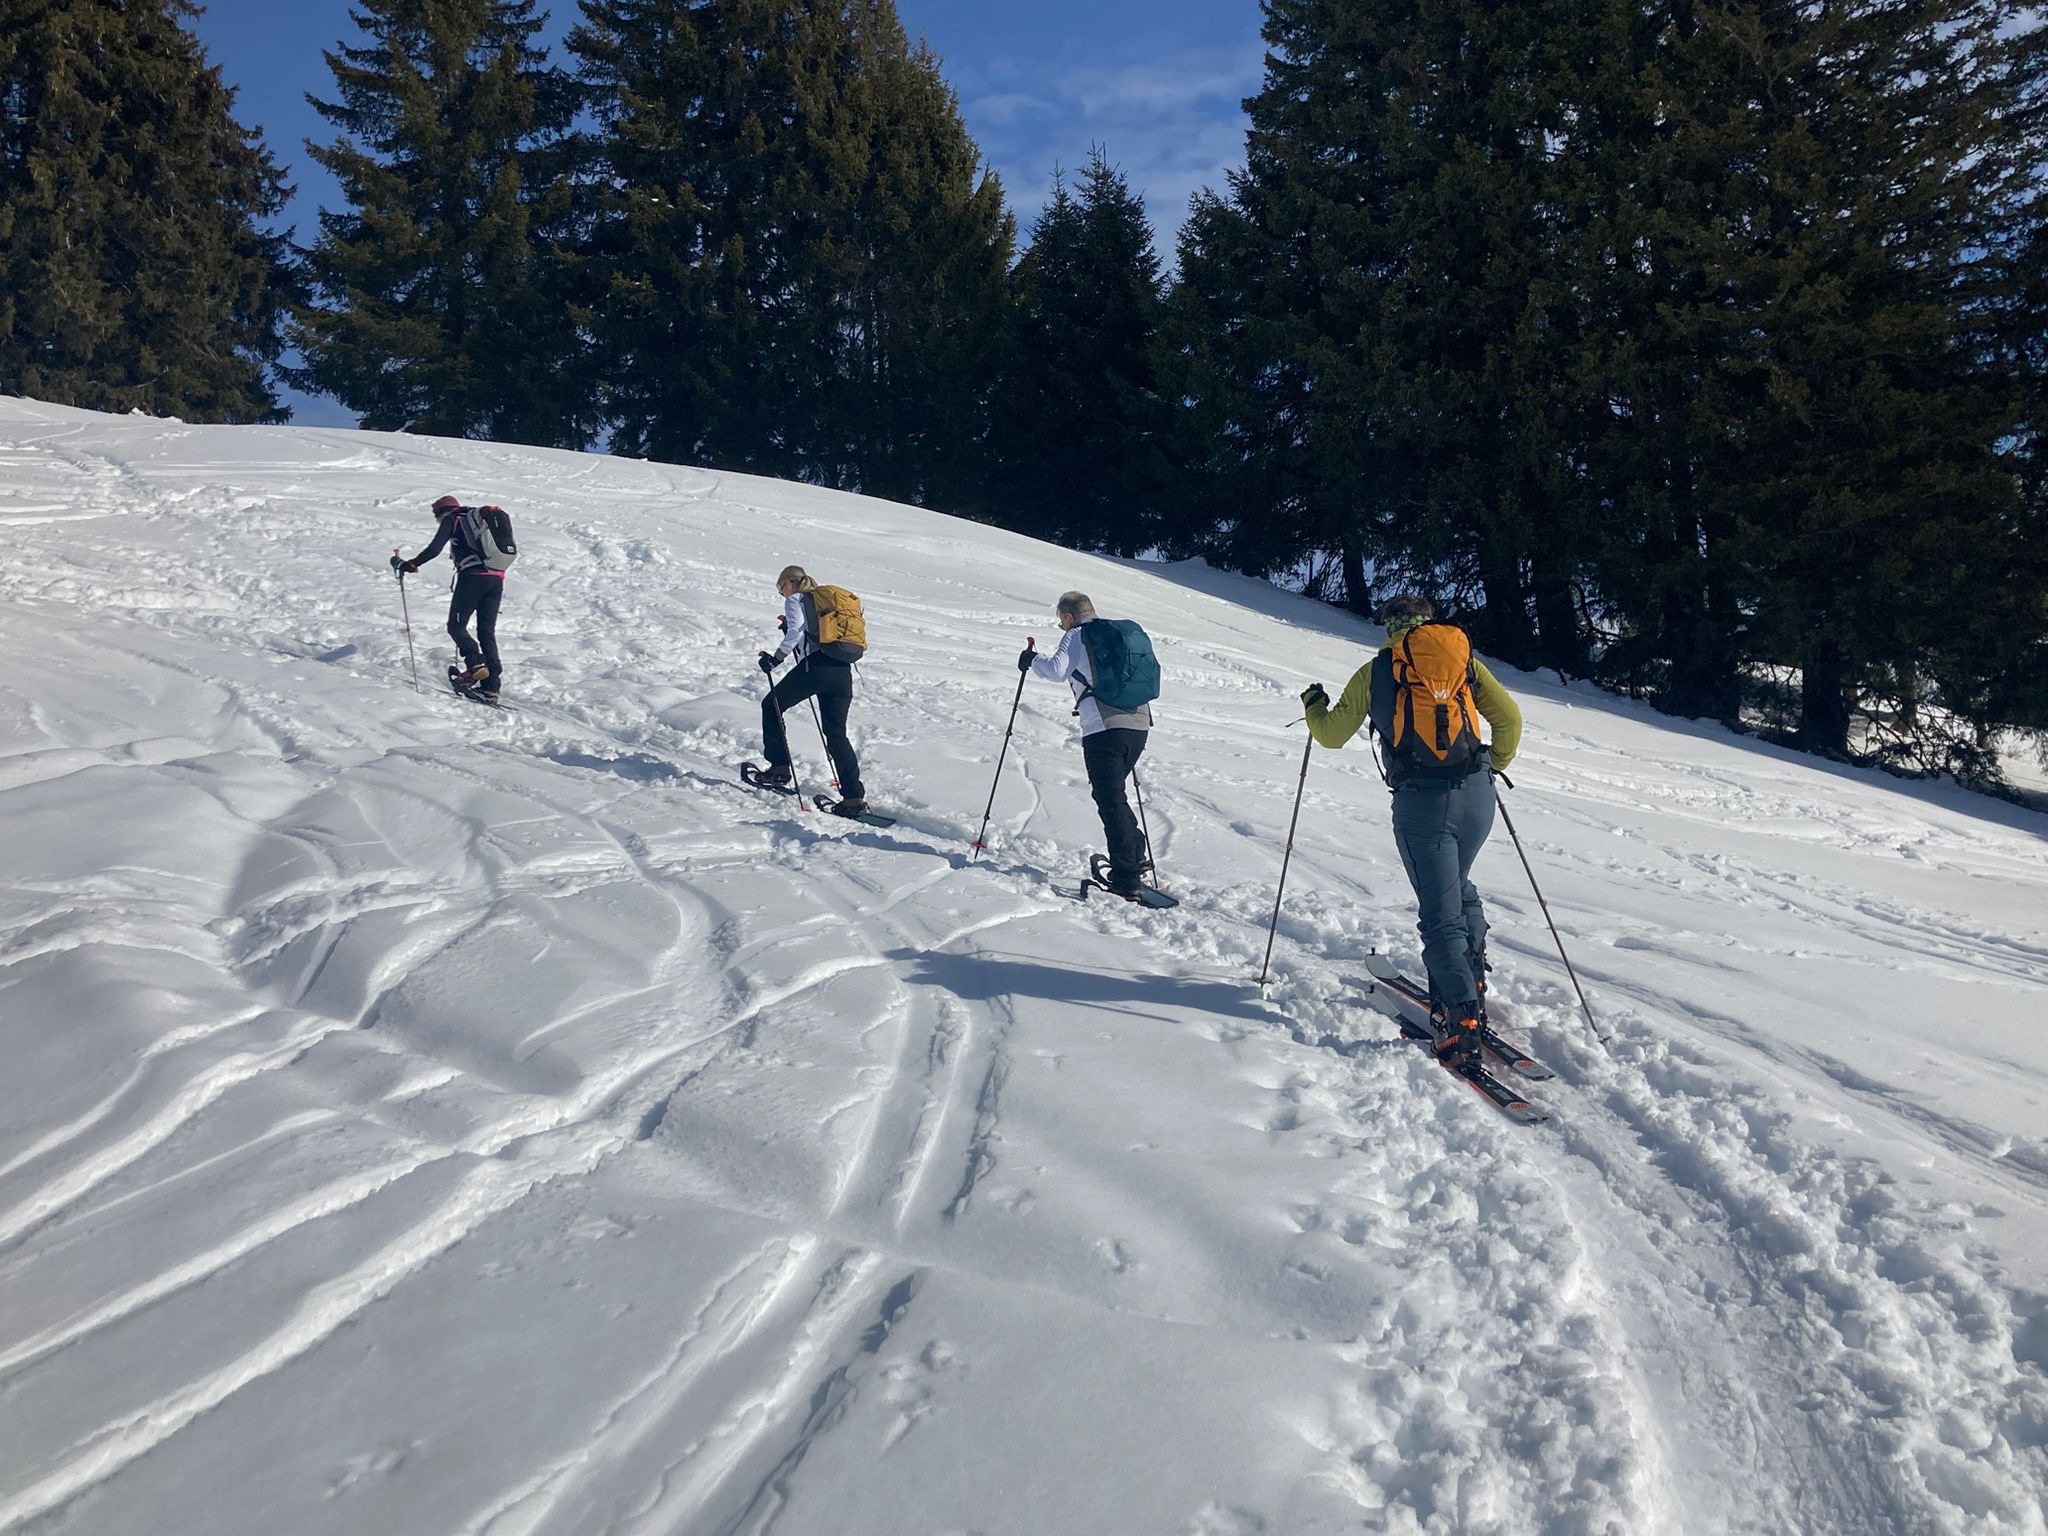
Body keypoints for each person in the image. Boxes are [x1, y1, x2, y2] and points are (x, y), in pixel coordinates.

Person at [1300, 595, 1522, 1067]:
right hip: (1477, 796)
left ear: (1389, 628)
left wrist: (1313, 705)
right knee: (1457, 886)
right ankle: (1471, 977)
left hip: (1423, 803)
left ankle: (1459, 1021)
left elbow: (1333, 734)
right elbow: (1510, 720)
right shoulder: (1464, 662)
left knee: (1439, 914)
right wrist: (1489, 768)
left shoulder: (1378, 671)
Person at [1020, 590, 1153, 898]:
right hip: (1138, 725)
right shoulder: (1116, 633)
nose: (1061, 627)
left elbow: (1056, 670)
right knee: (1114, 795)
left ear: (1069, 616)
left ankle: (1126, 878)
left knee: (1108, 799)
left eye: (1061, 621)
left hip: (1103, 728)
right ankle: (1133, 855)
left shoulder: (1078, 634)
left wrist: (1032, 659)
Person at [757, 565, 867, 816]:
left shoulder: (797, 599)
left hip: (815, 668)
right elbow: (804, 633)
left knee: (771, 705)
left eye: (780, 587)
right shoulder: (825, 604)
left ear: (790, 582)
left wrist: (775, 659)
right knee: (836, 734)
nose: (781, 593)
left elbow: (796, 632)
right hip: (842, 671)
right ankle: (853, 797)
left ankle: (779, 767)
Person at [392, 495, 507, 699]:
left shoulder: (452, 519)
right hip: (496, 578)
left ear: (440, 513)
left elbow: (434, 549)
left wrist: (411, 564)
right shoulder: (477, 521)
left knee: (456, 626)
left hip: (472, 577)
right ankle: (491, 687)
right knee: (486, 631)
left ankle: (476, 663)